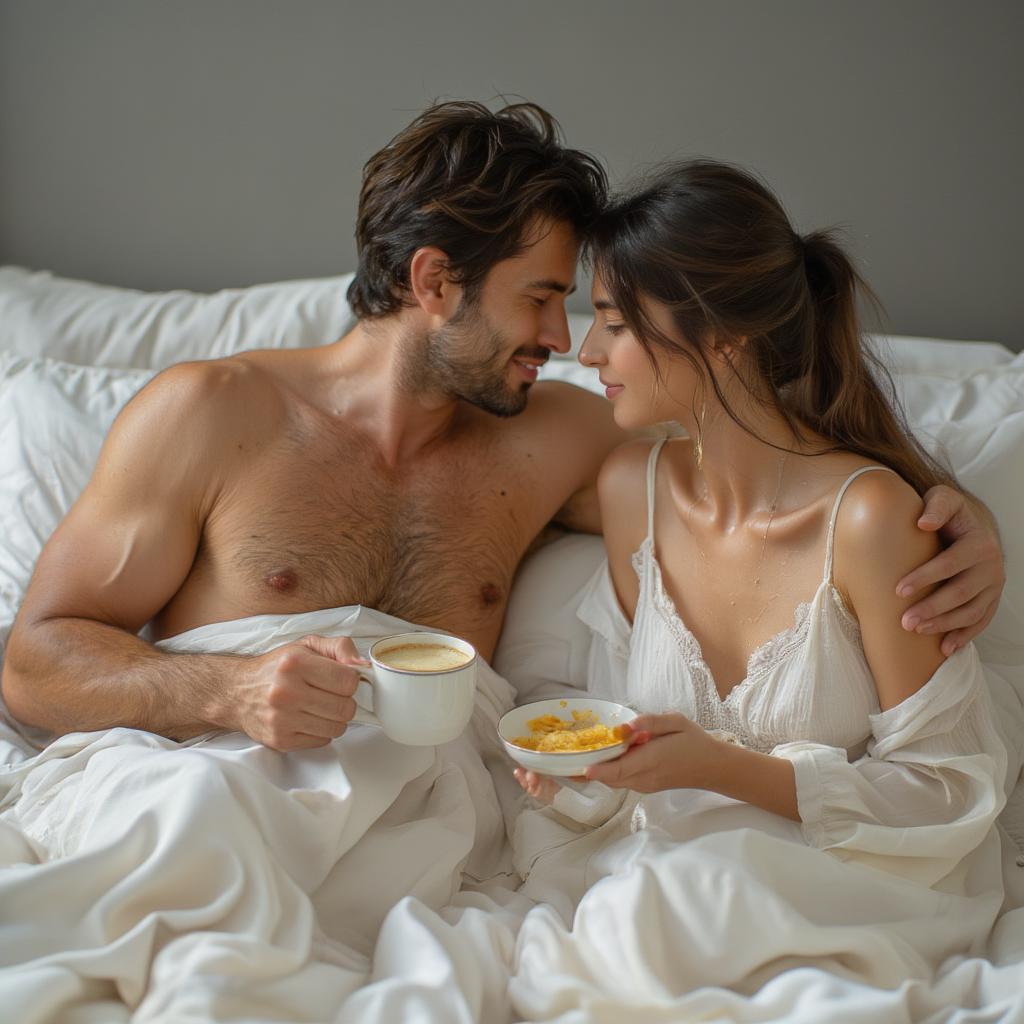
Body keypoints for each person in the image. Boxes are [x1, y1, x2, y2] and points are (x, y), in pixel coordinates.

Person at [1, 106, 1005, 754]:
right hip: (213, 795)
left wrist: (959, 517)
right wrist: (223, 691)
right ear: (435, 282)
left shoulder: (561, 440)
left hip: (423, 844)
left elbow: (773, 465)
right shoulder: (207, 413)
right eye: (539, 300)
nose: (562, 341)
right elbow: (30, 662)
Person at [510, 162, 1009, 994]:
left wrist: (723, 769)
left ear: (721, 335)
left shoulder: (870, 520)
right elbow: (639, 745)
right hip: (675, 871)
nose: (586, 350)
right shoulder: (631, 489)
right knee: (648, 913)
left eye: (611, 320)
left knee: (668, 911)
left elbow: (946, 793)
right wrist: (582, 779)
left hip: (854, 875)